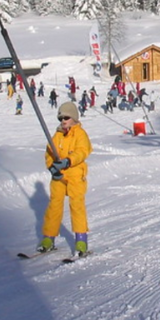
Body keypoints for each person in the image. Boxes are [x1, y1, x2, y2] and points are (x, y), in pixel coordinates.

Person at [36, 101, 93, 258]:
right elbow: (49, 153)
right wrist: (52, 167)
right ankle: (48, 238)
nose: (63, 121)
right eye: (61, 118)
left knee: (77, 206)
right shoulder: (57, 135)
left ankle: (81, 239)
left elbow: (83, 151)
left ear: (74, 118)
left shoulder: (80, 134)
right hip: (59, 176)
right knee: (54, 206)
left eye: (66, 117)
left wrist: (68, 161)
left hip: (75, 174)